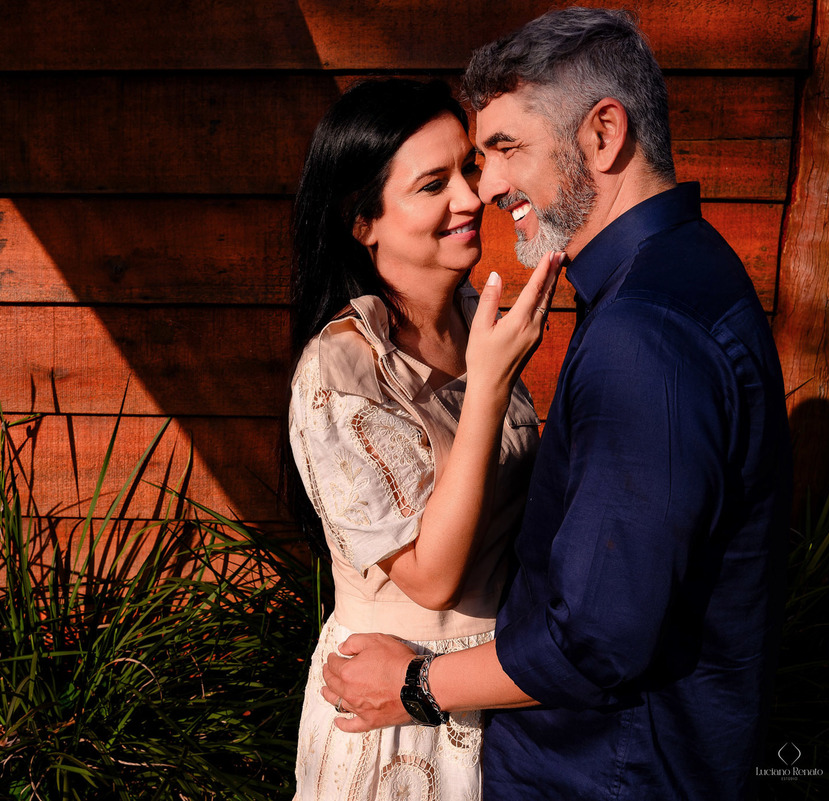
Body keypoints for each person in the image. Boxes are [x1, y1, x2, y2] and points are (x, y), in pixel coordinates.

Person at [320, 9, 793, 800]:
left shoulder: (645, 334)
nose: (488, 187)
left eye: (507, 148)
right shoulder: (680, 270)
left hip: (606, 770)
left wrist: (415, 684)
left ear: (604, 135)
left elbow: (596, 637)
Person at [285, 77, 561, 799]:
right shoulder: (342, 370)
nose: (471, 197)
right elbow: (432, 576)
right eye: (434, 184)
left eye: (468, 169)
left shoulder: (474, 317)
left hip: (498, 683)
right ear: (363, 222)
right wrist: (489, 386)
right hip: (394, 706)